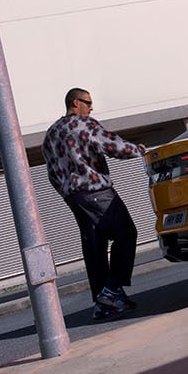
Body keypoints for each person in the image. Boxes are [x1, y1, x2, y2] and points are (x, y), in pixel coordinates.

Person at [43, 87, 146, 321]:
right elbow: (112, 146)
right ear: (75, 102)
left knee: (95, 246)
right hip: (96, 191)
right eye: (88, 102)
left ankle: (104, 302)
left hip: (74, 197)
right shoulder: (84, 125)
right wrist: (137, 150)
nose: (91, 107)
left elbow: (51, 173)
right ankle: (111, 290)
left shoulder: (51, 133)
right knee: (126, 233)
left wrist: (68, 193)